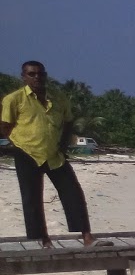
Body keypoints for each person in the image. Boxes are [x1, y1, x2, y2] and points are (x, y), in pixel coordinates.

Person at [1, 60, 93, 246]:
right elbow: (4, 126)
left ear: (45, 75)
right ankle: (42, 239)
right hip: (26, 152)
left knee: (73, 193)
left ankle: (87, 236)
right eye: (31, 74)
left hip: (54, 154)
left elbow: (68, 122)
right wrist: (17, 144)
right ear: (23, 77)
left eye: (40, 74)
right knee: (32, 198)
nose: (37, 77)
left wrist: (63, 146)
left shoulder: (58, 97)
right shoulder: (14, 99)